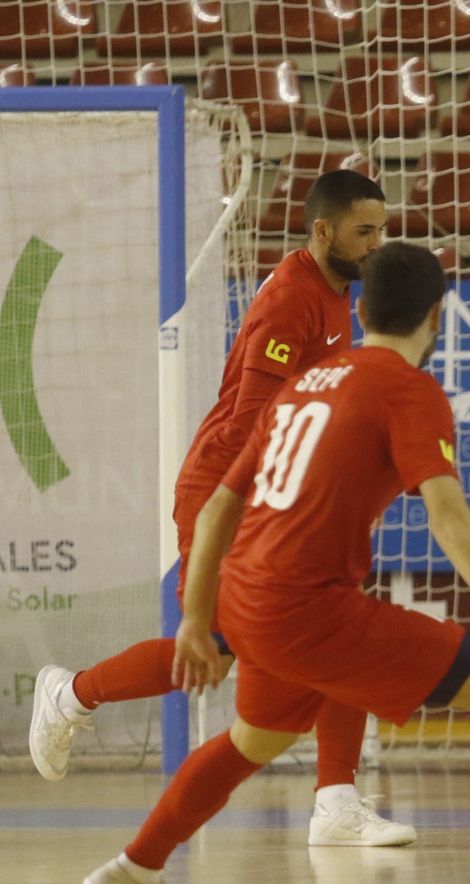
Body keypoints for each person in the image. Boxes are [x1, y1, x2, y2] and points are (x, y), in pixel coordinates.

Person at [82, 243, 470, 884]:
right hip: (308, 606)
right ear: (437, 319)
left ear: (360, 311)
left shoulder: (304, 383)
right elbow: (447, 515)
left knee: (256, 738)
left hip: (245, 597)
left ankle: (134, 868)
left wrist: (196, 615)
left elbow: (221, 504)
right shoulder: (410, 391)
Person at [28, 170, 419, 847]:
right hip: (229, 489)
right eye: (365, 231)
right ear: (323, 230)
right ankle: (70, 694)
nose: (377, 245)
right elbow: (250, 422)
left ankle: (335, 802)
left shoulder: (334, 293)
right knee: (215, 645)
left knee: (337, 625)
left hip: (276, 490)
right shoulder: (291, 301)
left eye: (383, 230)